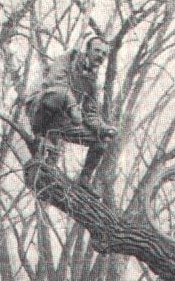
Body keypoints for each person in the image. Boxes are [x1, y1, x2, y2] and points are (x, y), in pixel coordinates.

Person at [25, 35, 117, 185]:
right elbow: (55, 83)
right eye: (97, 51)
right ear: (87, 51)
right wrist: (73, 106)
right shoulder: (69, 58)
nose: (100, 56)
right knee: (60, 94)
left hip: (62, 121)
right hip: (41, 109)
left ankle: (84, 179)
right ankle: (40, 136)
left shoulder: (93, 81)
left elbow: (91, 112)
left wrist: (104, 128)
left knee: (101, 140)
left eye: (104, 54)